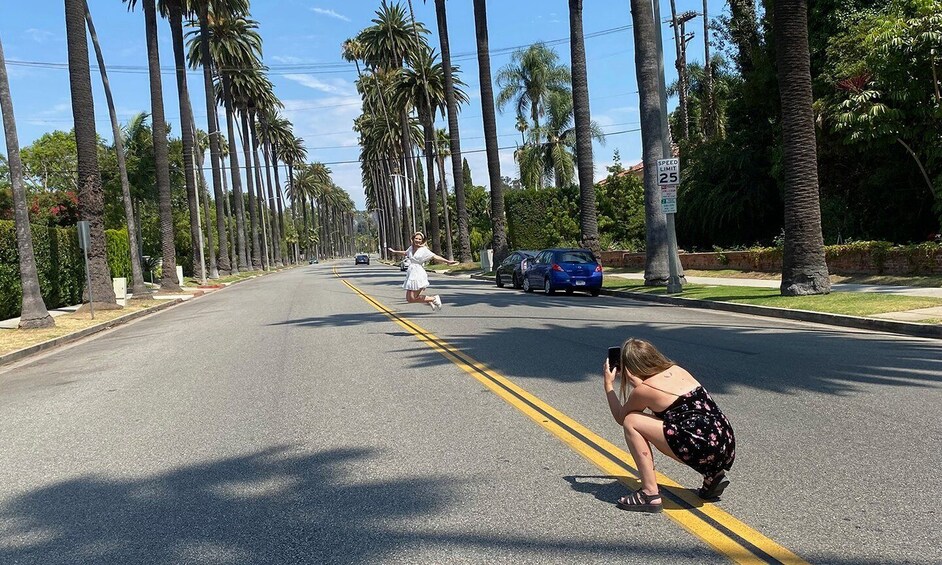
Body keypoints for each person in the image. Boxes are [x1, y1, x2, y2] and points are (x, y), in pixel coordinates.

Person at [603, 338, 736, 513]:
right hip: (724, 441)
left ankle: (649, 493)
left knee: (631, 422)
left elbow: (621, 417)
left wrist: (608, 385)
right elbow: (660, 395)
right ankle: (713, 475)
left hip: (701, 446)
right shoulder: (677, 370)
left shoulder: (644, 390)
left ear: (630, 368)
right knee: (688, 424)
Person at [387, 232, 458, 311]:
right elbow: (405, 253)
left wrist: (447, 261)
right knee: (409, 299)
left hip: (418, 274)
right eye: (416, 238)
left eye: (419, 239)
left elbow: (435, 256)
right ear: (413, 239)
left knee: (413, 298)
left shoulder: (424, 250)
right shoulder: (411, 248)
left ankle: (434, 298)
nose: (417, 240)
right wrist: (394, 252)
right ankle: (430, 300)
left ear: (422, 241)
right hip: (411, 274)